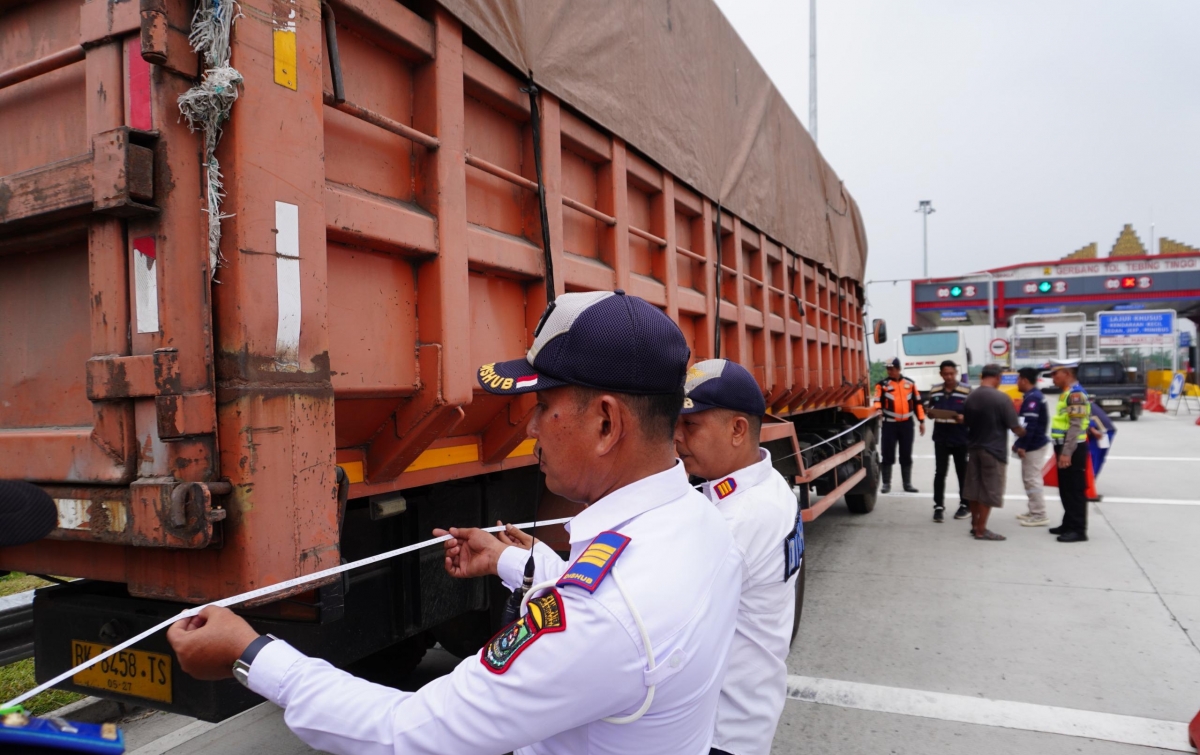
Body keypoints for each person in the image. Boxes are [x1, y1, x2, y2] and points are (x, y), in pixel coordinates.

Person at [167, 290, 744, 754]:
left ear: (605, 424)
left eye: (544, 406)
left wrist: (251, 653)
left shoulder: (606, 615)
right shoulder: (701, 521)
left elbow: (408, 731)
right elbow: (609, 616)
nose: (532, 427)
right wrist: (509, 560)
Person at [673, 359, 801, 755]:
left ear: (737, 429)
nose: (675, 437)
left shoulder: (736, 521)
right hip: (748, 714)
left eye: (690, 425)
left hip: (716, 733)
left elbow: (645, 620)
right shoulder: (771, 485)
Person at [961, 364, 1026, 541]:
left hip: (974, 448)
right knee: (989, 491)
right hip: (993, 450)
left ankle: (975, 525)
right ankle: (982, 530)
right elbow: (1014, 426)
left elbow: (965, 421)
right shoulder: (1002, 398)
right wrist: (1026, 433)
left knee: (974, 489)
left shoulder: (971, 396)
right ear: (997, 377)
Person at [1048, 360, 1091, 542]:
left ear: (1066, 373)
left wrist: (1067, 452)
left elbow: (1075, 426)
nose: (1053, 378)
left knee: (1074, 490)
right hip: (1064, 445)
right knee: (1066, 488)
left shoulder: (1075, 395)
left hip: (1072, 448)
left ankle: (1078, 529)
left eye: (1055, 374)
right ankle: (1068, 522)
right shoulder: (1067, 394)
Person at [926, 360, 971, 523]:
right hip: (941, 438)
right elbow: (929, 409)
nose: (949, 377)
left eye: (951, 373)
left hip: (960, 438)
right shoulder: (935, 390)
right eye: (945, 374)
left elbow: (974, 415)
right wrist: (930, 414)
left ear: (956, 373)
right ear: (941, 374)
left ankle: (965, 505)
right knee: (940, 473)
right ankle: (938, 506)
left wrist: (964, 418)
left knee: (962, 473)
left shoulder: (966, 391)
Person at [873, 357, 926, 494]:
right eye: (888, 369)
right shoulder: (882, 385)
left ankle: (907, 484)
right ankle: (886, 483)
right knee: (887, 453)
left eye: (892, 369)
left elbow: (918, 403)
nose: (889, 371)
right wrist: (878, 409)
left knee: (906, 454)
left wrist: (921, 421)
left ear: (899, 369)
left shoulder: (910, 384)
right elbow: (877, 400)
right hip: (889, 425)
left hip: (907, 425)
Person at [1013, 367, 1052, 526]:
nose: (1017, 382)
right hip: (1033, 444)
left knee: (1032, 479)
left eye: (1018, 379)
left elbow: (1030, 425)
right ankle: (1033, 509)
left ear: (1024, 380)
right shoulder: (1032, 396)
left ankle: (1039, 514)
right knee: (1029, 479)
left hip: (1034, 445)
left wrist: (1022, 445)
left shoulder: (1033, 398)